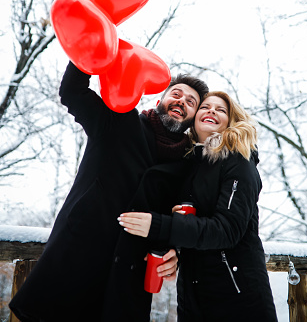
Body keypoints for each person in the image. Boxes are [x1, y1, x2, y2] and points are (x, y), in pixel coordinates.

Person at [9, 61, 209, 322]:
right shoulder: (119, 121)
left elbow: (177, 219)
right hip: (76, 261)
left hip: (127, 279)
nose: (182, 101)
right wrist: (91, 52)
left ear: (193, 118)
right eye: (176, 93)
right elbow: (73, 91)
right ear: (161, 98)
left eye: (191, 102)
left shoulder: (187, 166)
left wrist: (174, 252)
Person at [119, 91, 278, 322]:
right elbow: (192, 226)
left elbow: (227, 230)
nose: (211, 111)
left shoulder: (239, 161)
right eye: (205, 107)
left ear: (231, 121)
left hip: (238, 296)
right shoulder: (189, 166)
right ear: (194, 119)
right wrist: (174, 253)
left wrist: (161, 226)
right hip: (192, 298)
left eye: (221, 109)